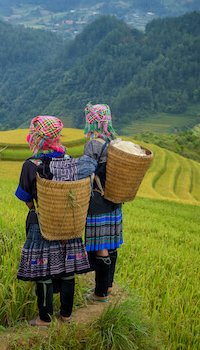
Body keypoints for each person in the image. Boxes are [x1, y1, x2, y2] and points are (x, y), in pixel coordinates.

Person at [15, 116, 90, 327]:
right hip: (69, 224)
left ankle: (44, 318)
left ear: (37, 137)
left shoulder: (31, 165)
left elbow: (26, 198)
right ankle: (66, 315)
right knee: (67, 270)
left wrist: (40, 209)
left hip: (43, 224)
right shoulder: (69, 159)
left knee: (43, 269)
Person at [82, 103, 123, 302]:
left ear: (93, 123)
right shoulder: (116, 142)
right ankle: (107, 286)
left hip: (98, 201)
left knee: (101, 246)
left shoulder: (93, 145)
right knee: (112, 244)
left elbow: (86, 172)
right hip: (115, 202)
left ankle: (99, 293)